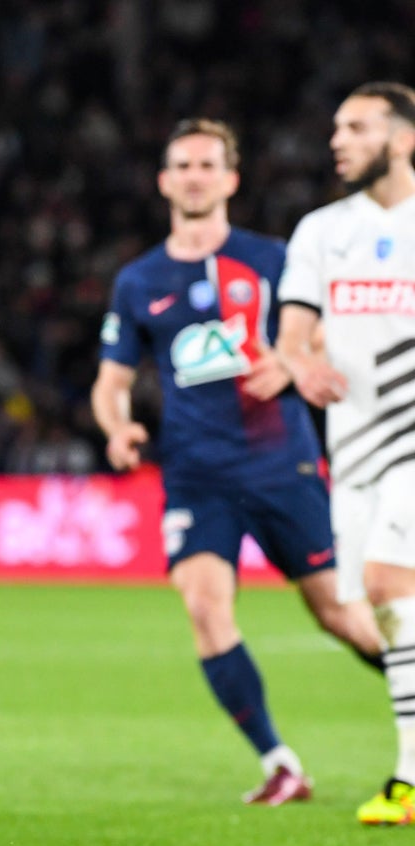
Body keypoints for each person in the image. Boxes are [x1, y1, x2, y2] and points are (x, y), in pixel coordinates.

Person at [92, 119, 384, 806]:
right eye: (181, 165)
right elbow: (112, 382)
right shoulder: (139, 281)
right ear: (165, 181)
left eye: (207, 165)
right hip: (197, 474)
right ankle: (282, 763)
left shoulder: (275, 260)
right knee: (205, 607)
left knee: (341, 617)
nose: (194, 176)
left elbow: (327, 337)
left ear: (231, 179)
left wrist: (289, 361)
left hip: (282, 463)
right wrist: (116, 429)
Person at [256, 81, 415, 826]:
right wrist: (299, 364)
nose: (338, 140)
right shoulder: (320, 231)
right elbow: (290, 333)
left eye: (356, 127)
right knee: (363, 610)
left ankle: (410, 780)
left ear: (403, 138)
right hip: (351, 449)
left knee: (386, 583)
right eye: (335, 128)